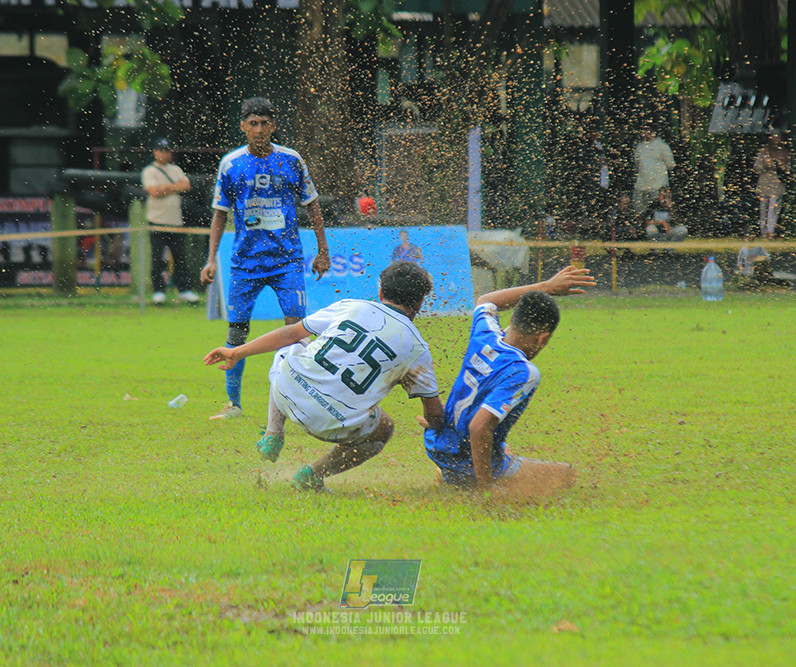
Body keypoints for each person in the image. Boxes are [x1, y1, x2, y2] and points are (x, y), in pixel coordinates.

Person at [204, 261, 444, 492]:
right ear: (421, 302)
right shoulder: (417, 348)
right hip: (334, 425)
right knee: (385, 428)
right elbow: (433, 411)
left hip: (288, 393)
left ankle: (273, 433)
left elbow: (290, 332)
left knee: (294, 341)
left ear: (380, 292)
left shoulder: (352, 306)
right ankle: (311, 476)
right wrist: (432, 423)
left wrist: (236, 351)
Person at [200, 97, 331, 420]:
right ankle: (233, 404)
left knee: (297, 329)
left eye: (265, 124)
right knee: (237, 333)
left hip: (286, 261)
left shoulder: (291, 160)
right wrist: (211, 258)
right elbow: (220, 214)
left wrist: (322, 251)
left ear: (273, 126)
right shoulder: (231, 164)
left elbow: (312, 205)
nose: (259, 130)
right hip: (245, 264)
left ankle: (302, 400)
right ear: (243, 126)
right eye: (253, 124)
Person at [422, 266, 596, 502]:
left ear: (512, 318)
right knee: (566, 475)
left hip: (438, 443)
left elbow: (486, 300)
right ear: (543, 338)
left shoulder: (486, 332)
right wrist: (487, 489)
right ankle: (467, 481)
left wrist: (546, 286)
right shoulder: (524, 372)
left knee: (502, 445)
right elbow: (479, 427)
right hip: (463, 459)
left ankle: (454, 474)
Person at [142, 138, 200, 304]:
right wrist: (174, 186)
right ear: (155, 152)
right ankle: (159, 291)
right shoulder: (149, 171)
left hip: (175, 221)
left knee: (180, 257)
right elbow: (154, 191)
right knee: (157, 258)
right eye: (161, 150)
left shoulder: (175, 169)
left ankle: (184, 289)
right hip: (156, 220)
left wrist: (165, 187)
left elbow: (186, 185)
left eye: (167, 150)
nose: (164, 153)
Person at [753, 129, 791, 238]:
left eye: (778, 137)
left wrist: (781, 166)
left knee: (773, 208)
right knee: (763, 207)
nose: (776, 139)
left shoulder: (785, 152)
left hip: (777, 183)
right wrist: (766, 165)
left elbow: (788, 169)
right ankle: (763, 231)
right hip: (764, 182)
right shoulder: (764, 152)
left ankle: (771, 231)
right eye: (774, 136)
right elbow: (756, 167)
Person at [632, 125, 676, 215]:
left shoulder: (663, 146)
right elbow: (637, 163)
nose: (645, 133)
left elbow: (671, 164)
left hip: (658, 186)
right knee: (639, 212)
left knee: (656, 213)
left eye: (647, 130)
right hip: (641, 185)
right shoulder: (640, 147)